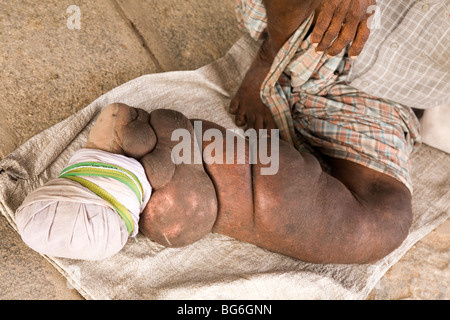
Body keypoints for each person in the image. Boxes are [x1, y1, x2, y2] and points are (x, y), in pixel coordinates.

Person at [17, 103, 413, 264]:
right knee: (379, 224)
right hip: (277, 179)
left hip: (277, 169)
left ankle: (228, 184)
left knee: (372, 222)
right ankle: (191, 165)